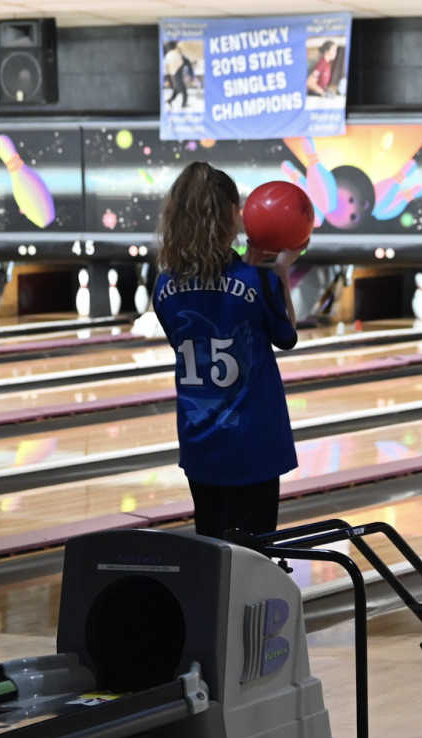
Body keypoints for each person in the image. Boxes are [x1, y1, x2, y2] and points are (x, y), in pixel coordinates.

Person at [153, 162, 302, 540]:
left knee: (213, 556)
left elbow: (207, 316)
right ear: (231, 217)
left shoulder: (163, 286)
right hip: (253, 445)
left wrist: (249, 268)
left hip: (200, 444)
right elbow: (286, 336)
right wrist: (280, 269)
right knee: (253, 562)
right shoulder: (260, 282)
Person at [163, 42, 190, 109]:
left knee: (177, 90)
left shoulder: (168, 55)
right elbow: (184, 61)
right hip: (177, 74)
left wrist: (167, 77)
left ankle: (170, 100)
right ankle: (183, 104)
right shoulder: (175, 53)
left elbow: (166, 68)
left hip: (174, 74)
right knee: (183, 90)